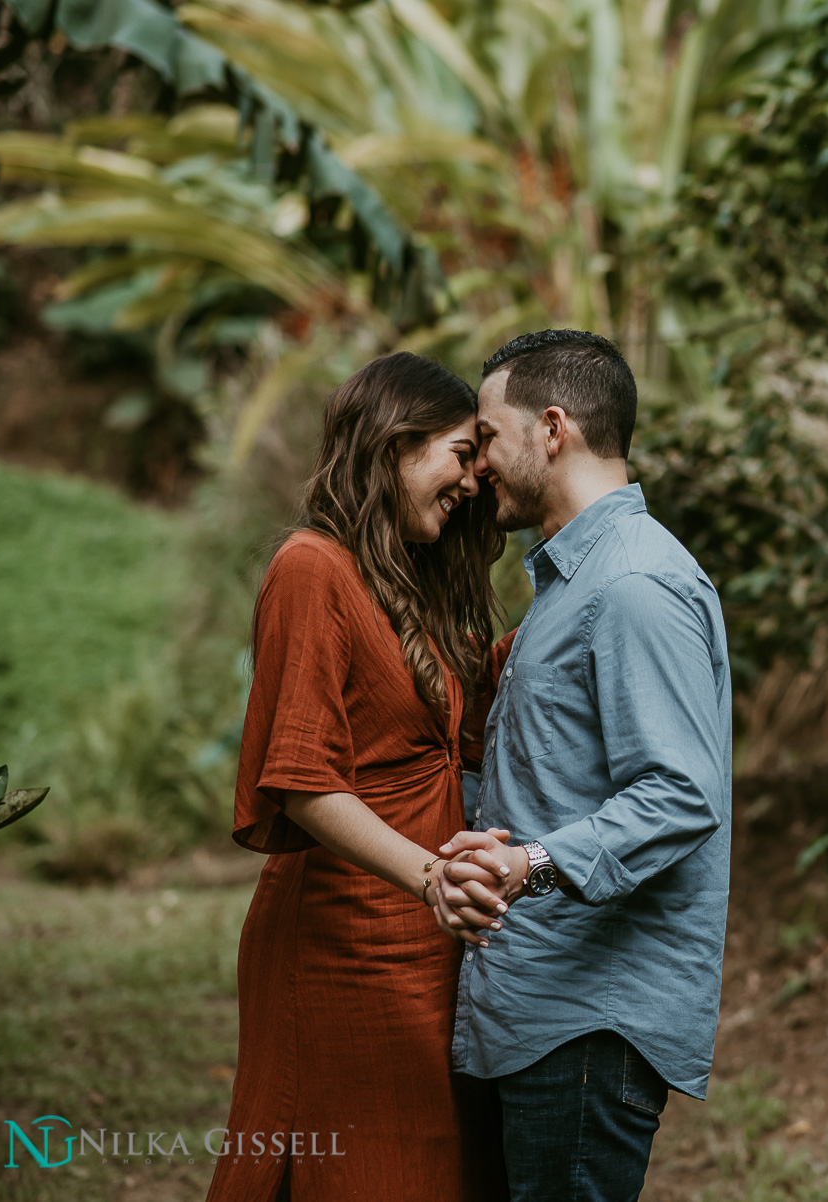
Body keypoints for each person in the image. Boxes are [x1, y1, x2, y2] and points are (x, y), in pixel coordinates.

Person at [427, 330, 733, 1202]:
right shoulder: (569, 584)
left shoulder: (634, 584)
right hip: (535, 1008)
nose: (477, 464)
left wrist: (530, 866)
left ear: (551, 429)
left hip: (588, 1023)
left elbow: (679, 794)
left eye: (487, 436)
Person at [208, 352, 508, 1202]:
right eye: (460, 452)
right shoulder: (312, 568)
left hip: (424, 941)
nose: (475, 479)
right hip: (341, 940)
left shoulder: (404, 585)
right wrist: (432, 876)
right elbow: (301, 780)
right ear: (393, 445)